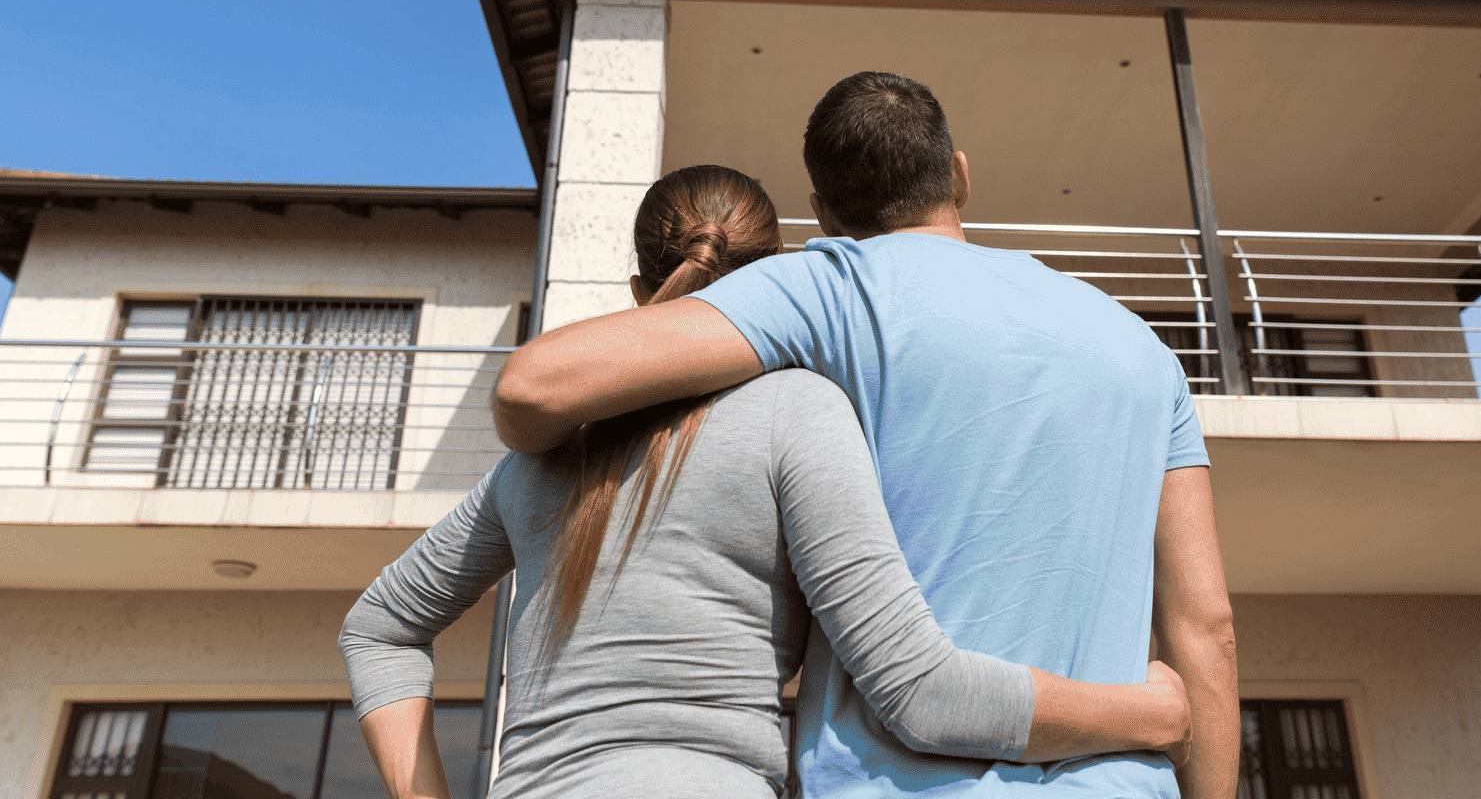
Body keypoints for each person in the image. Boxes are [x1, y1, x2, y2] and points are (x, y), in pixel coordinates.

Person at [494, 73, 1239, 798]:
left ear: (821, 213)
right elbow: (1205, 630)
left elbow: (532, 387)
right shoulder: (1142, 348)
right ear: (959, 174)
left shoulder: (829, 287)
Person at [341, 164, 1191, 799]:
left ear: (640, 288)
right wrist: (1149, 711)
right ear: (770, 287)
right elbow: (922, 695)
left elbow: (377, 628)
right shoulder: (797, 414)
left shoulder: (534, 465)